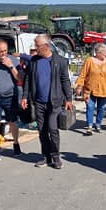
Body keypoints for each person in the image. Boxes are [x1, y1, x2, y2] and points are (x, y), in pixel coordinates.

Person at [20, 34, 73, 169]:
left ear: (46, 46)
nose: (35, 48)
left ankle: (56, 156)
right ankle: (46, 156)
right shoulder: (34, 61)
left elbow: (65, 80)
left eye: (37, 46)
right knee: (42, 130)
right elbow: (27, 80)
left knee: (52, 128)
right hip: (38, 102)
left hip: (54, 102)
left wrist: (68, 99)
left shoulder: (60, 61)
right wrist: (25, 96)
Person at [75, 43, 106, 134]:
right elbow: (83, 74)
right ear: (98, 53)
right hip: (90, 89)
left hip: (104, 89)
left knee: (102, 108)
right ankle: (90, 126)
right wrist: (79, 86)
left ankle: (98, 123)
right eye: (104, 52)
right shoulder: (89, 61)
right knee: (90, 107)